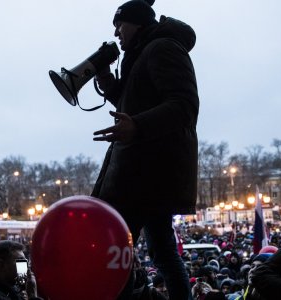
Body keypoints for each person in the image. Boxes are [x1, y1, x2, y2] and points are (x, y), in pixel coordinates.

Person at [91, 0, 199, 299]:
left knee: (115, 248)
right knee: (161, 252)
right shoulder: (141, 54)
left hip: (145, 174)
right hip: (148, 174)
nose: (116, 32)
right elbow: (135, 103)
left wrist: (136, 126)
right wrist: (108, 83)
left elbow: (184, 105)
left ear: (137, 23)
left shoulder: (162, 48)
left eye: (120, 24)